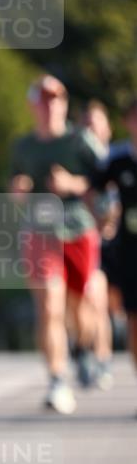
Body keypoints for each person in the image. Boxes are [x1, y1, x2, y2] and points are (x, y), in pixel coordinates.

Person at [9, 75, 99, 414]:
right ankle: (57, 380)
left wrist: (72, 183)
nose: (50, 106)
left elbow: (103, 182)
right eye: (43, 100)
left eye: (56, 99)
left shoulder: (81, 141)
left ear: (64, 103)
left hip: (78, 230)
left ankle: (85, 348)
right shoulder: (23, 146)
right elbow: (14, 187)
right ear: (34, 106)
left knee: (81, 307)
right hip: (39, 231)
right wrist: (17, 189)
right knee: (49, 306)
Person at [94, 97, 137, 382]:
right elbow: (94, 192)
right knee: (134, 319)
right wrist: (103, 218)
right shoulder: (118, 160)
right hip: (130, 251)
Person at [79, 100, 116, 390]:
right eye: (86, 123)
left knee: (105, 304)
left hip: (119, 241)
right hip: (89, 238)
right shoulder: (80, 161)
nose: (91, 128)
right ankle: (93, 355)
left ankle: (99, 356)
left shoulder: (115, 158)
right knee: (93, 299)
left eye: (96, 122)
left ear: (107, 127)